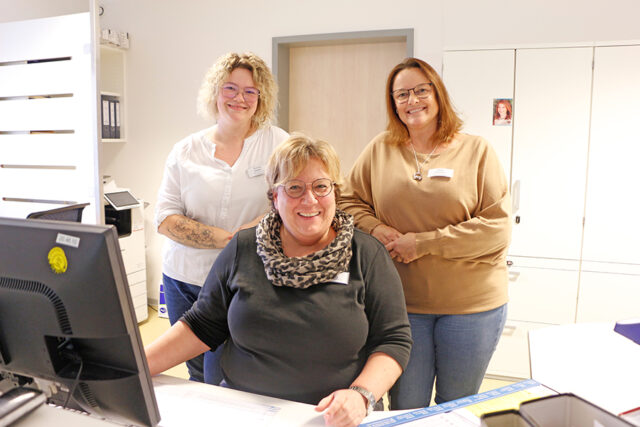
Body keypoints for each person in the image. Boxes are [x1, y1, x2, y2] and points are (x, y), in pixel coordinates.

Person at [146, 134, 412, 427]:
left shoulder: (366, 254)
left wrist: (361, 396)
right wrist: (133, 366)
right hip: (245, 412)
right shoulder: (244, 248)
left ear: (335, 192)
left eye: (321, 186)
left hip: (331, 417)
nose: (309, 199)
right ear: (274, 197)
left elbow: (393, 340)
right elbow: (200, 325)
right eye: (294, 188)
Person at [339, 57, 512, 410]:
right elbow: (347, 202)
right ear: (392, 102)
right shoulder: (380, 149)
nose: (412, 100)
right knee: (407, 407)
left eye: (421, 90)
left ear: (438, 94)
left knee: (455, 407)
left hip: (471, 307)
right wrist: (378, 229)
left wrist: (422, 244)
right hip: (401, 305)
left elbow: (496, 229)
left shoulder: (476, 150)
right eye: (401, 94)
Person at [154, 52, 289, 384]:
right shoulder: (185, 151)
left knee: (236, 369)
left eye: (250, 91)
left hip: (245, 279)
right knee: (198, 371)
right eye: (230, 88)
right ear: (215, 92)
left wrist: (247, 234)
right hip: (185, 279)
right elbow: (165, 218)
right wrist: (227, 239)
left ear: (262, 98)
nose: (239, 98)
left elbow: (290, 200)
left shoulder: (278, 143)